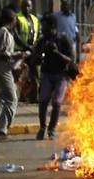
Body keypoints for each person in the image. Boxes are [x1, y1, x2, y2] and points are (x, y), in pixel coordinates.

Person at [32, 12, 77, 140]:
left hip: (61, 75)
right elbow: (34, 59)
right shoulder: (41, 41)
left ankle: (51, 129)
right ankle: (42, 127)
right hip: (47, 74)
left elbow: (71, 59)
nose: (42, 29)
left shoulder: (63, 40)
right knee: (43, 100)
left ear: (52, 26)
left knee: (57, 102)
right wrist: (41, 52)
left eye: (44, 26)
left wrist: (57, 53)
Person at [0, 6, 22, 139]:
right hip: (1, 67)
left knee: (7, 94)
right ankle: (1, 130)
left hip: (3, 66)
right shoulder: (3, 32)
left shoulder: (7, 32)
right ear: (12, 19)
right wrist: (12, 56)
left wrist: (17, 55)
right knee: (12, 98)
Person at [14, 0, 41, 103]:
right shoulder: (17, 18)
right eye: (24, 5)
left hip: (32, 51)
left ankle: (35, 97)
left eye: (28, 6)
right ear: (21, 7)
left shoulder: (35, 19)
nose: (26, 8)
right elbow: (16, 36)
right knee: (20, 75)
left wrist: (35, 46)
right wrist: (26, 46)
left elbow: (38, 34)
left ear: (31, 7)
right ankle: (19, 97)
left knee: (35, 75)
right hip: (20, 51)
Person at [54, 0, 81, 64]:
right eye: (62, 5)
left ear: (69, 6)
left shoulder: (73, 16)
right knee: (62, 60)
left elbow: (74, 26)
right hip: (61, 43)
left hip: (72, 42)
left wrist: (77, 34)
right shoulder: (56, 16)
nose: (63, 6)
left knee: (72, 60)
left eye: (66, 5)